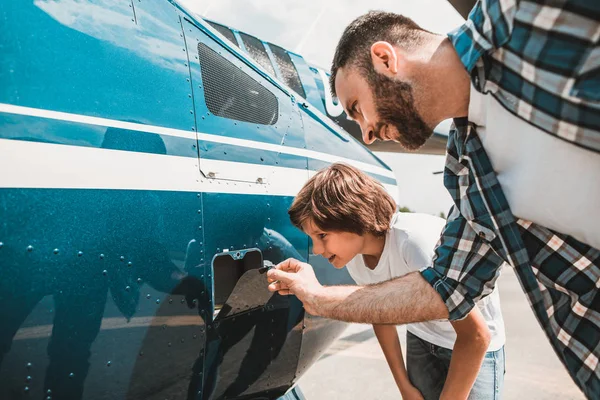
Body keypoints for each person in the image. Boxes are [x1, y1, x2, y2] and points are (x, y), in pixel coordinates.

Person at [267, 4, 600, 399]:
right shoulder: (465, 174)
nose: (367, 134)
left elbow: (472, 331)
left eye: (356, 108)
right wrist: (317, 295)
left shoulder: (514, 19)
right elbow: (447, 289)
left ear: (385, 59)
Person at [288, 163, 505, 400]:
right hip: (421, 338)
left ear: (351, 217)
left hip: (469, 346)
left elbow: (476, 336)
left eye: (322, 236)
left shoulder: (414, 244)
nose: (317, 250)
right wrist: (404, 386)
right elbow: (378, 314)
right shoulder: (354, 258)